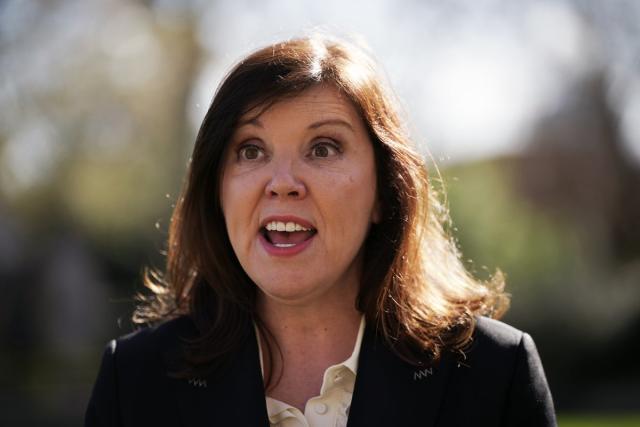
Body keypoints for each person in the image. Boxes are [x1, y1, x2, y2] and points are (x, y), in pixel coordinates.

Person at [85, 34, 556, 427]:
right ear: (217, 190)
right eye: (251, 150)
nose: (283, 183)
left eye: (324, 148)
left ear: (384, 194)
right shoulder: (134, 381)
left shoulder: (495, 373)